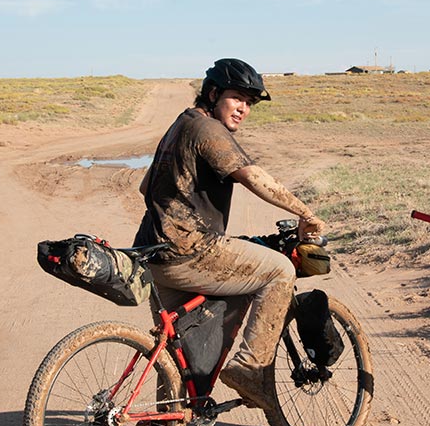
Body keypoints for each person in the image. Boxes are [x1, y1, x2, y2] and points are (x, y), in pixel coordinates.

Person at [135, 58, 325, 406]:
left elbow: (145, 185)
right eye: (237, 98)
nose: (244, 109)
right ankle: (251, 368)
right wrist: (305, 212)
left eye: (250, 103)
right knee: (280, 270)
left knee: (180, 355)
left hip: (151, 254)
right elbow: (253, 177)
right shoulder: (208, 129)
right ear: (212, 93)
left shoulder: (181, 124)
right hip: (187, 250)